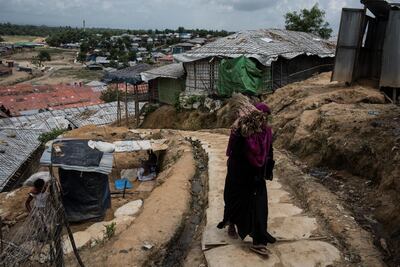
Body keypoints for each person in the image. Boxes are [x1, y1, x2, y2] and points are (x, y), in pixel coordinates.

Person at [217, 102, 276, 256]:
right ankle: (231, 223)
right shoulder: (243, 130)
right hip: (239, 173)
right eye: (263, 117)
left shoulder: (267, 132)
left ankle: (259, 241)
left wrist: (267, 170)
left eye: (266, 117)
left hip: (256, 175)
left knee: (259, 206)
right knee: (235, 201)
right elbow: (234, 151)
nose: (264, 120)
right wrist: (237, 129)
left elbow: (269, 151)